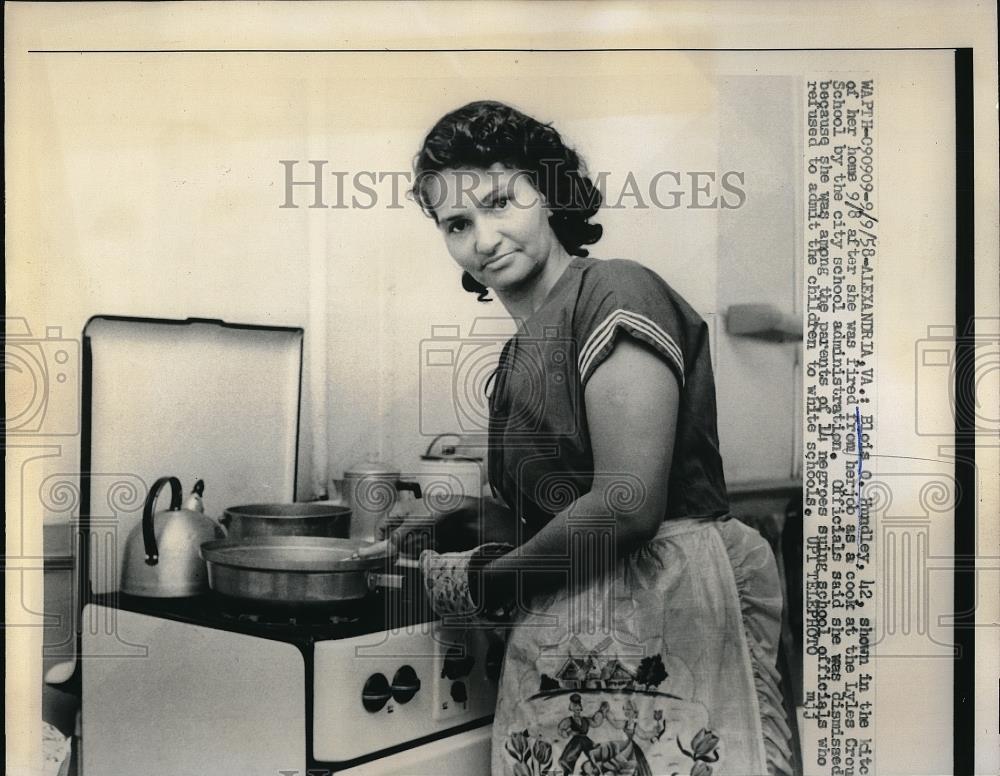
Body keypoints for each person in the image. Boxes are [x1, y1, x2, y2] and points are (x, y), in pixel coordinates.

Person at [361, 100, 794, 776]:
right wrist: (458, 520)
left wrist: (487, 584)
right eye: (457, 224)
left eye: (502, 200)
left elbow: (625, 505)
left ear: (550, 193)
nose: (483, 238)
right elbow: (557, 509)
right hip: (579, 619)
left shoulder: (615, 292)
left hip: (666, 603)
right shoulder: (515, 356)